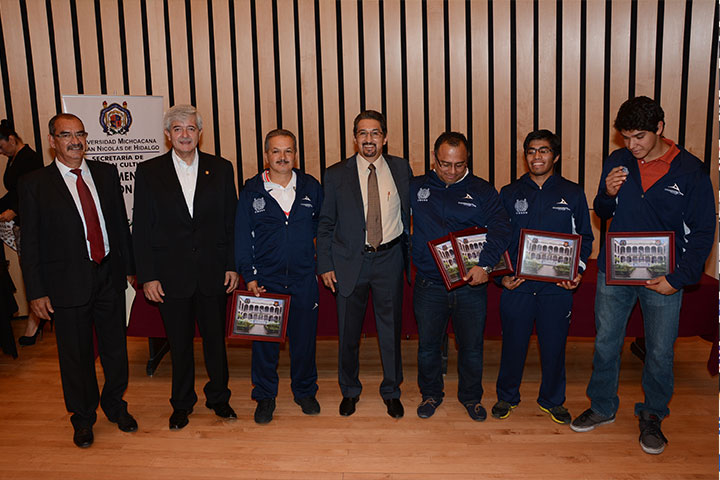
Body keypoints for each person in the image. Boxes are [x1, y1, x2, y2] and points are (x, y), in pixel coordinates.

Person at [570, 96, 715, 455]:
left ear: (659, 128)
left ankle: (652, 415)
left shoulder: (690, 170)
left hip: (663, 277)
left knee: (660, 352)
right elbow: (603, 211)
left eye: (639, 137)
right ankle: (602, 406)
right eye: (625, 137)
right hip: (615, 272)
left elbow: (702, 232)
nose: (631, 145)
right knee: (606, 343)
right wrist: (607, 193)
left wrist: (678, 279)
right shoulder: (618, 160)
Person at [18, 113, 137, 447]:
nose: (75, 141)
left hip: (108, 274)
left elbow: (119, 224)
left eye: (80, 134)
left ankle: (115, 405)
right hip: (66, 282)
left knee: (115, 349)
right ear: (52, 141)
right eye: (66, 135)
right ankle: (83, 417)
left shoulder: (106, 172)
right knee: (76, 354)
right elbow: (31, 244)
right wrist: (36, 292)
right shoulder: (34, 183)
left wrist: (129, 268)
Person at [132, 105, 239, 430]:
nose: (185, 135)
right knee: (179, 345)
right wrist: (148, 276)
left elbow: (231, 221)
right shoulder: (149, 171)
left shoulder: (221, 168)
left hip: (213, 272)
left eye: (191, 128)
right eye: (177, 129)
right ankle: (182, 404)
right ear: (168, 135)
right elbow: (142, 228)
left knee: (215, 343)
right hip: (170, 275)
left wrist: (232, 265)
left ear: (200, 133)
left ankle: (219, 398)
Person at [491, 130, 593, 425]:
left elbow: (584, 238)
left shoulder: (573, 193)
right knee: (513, 346)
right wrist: (501, 278)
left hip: (556, 288)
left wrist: (577, 272)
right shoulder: (509, 192)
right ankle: (507, 396)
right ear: (525, 156)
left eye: (544, 150)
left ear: (555, 156)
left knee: (554, 347)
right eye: (531, 151)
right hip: (518, 286)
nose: (537, 156)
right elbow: (496, 238)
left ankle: (552, 400)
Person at [317, 110, 412, 418]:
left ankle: (392, 391)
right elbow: (325, 223)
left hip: (389, 259)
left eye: (375, 133)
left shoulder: (401, 168)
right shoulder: (335, 174)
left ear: (385, 137)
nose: (369, 139)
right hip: (349, 262)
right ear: (354, 138)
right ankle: (349, 390)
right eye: (362, 133)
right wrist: (325, 264)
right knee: (348, 332)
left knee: (391, 330)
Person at [410, 131, 511, 421]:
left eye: (459, 164)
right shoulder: (416, 187)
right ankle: (431, 394)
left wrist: (486, 266)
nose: (452, 171)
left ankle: (471, 398)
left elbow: (501, 228)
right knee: (428, 347)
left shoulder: (482, 190)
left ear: (467, 161)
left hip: (470, 286)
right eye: (445, 164)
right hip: (429, 284)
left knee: (471, 348)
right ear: (434, 158)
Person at [235, 129, 323, 424]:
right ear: (266, 155)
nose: (282, 157)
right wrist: (249, 275)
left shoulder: (311, 187)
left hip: (303, 279)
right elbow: (242, 237)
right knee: (264, 344)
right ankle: (264, 396)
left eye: (288, 151)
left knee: (304, 342)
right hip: (265, 281)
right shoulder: (251, 190)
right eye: (276, 151)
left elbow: (322, 228)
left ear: (295, 154)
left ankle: (304, 391)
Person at [0, 119, 44, 345]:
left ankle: (35, 321)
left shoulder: (30, 158)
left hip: (31, 222)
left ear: (11, 139)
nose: (0, 151)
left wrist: (14, 209)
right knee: (27, 267)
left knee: (31, 268)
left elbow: (33, 192)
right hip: (21, 221)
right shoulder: (13, 159)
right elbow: (14, 191)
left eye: (1, 146)